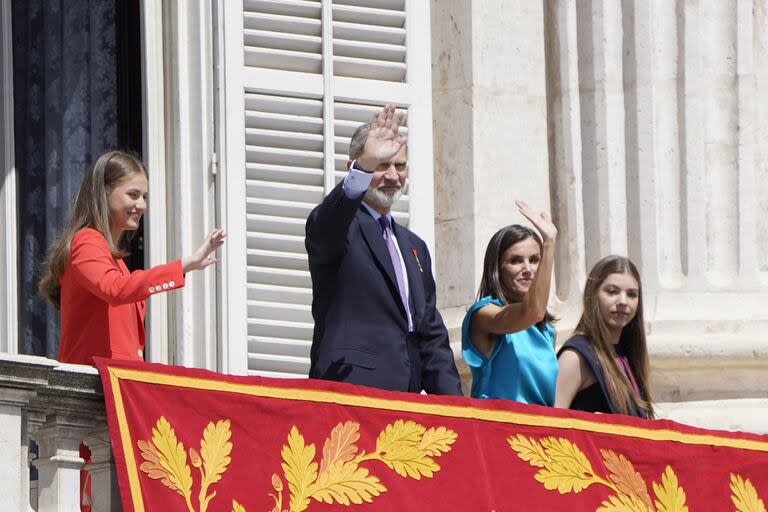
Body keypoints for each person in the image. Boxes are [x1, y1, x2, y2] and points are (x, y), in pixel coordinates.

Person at [305, 104, 462, 395]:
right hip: (350, 396)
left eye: (399, 166)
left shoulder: (414, 247)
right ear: (354, 168)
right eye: (381, 165)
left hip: (404, 405)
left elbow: (430, 335)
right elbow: (325, 229)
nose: (392, 176)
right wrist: (363, 169)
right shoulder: (340, 225)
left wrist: (455, 411)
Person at [39, 150, 225, 366]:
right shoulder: (86, 240)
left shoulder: (116, 261)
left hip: (117, 381)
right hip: (93, 383)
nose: (142, 205)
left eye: (144, 197)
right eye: (133, 195)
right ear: (104, 192)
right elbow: (115, 289)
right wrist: (184, 265)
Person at [461, 213, 559, 405]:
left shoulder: (548, 331)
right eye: (515, 261)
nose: (528, 268)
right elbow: (531, 312)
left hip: (540, 430)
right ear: (497, 268)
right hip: (497, 428)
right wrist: (549, 242)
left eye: (535, 260)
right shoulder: (484, 314)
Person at [554, 255, 654, 419]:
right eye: (612, 292)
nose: (623, 301)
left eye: (631, 294)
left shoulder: (626, 355)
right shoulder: (576, 356)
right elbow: (553, 426)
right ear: (593, 295)